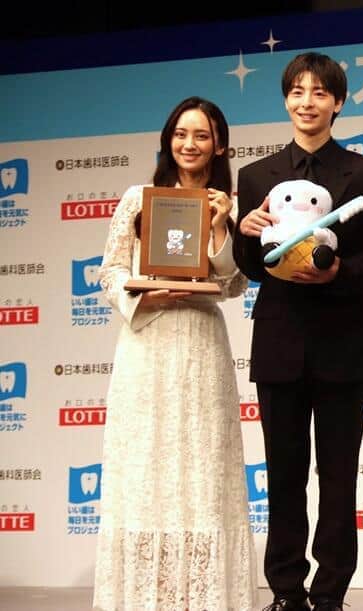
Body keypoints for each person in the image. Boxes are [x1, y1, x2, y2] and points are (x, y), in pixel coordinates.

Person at [233, 52, 363, 611]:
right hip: (280, 341)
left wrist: (336, 272)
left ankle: (330, 593)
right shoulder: (255, 176)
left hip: (344, 340)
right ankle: (285, 590)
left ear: (338, 102)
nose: (308, 102)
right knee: (283, 474)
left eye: (320, 92)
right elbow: (250, 266)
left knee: (339, 477)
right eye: (298, 91)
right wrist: (246, 232)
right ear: (286, 100)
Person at [93, 96, 255, 611]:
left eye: (201, 135)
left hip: (202, 345)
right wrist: (143, 297)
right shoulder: (138, 198)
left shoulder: (228, 204)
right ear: (167, 140)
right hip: (147, 344)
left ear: (219, 145)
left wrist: (221, 226)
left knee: (204, 471)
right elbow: (111, 271)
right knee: (147, 470)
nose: (190, 144)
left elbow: (233, 283)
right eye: (181, 134)